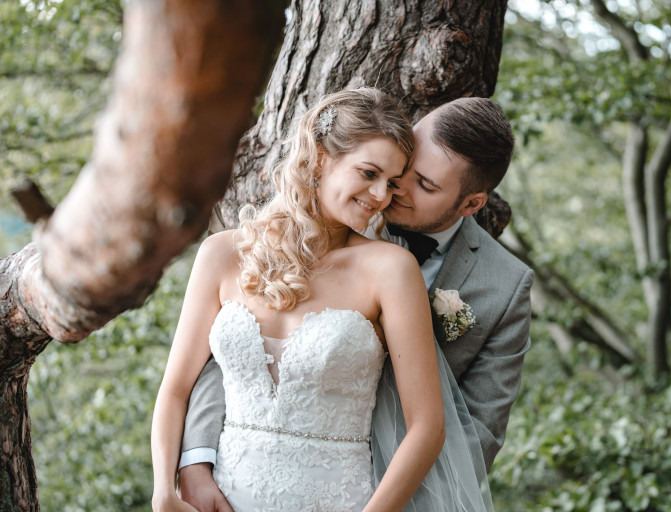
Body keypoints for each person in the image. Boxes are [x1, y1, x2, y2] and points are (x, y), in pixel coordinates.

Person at [178, 97, 533, 510]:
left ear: (471, 204)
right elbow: (232, 358)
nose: (393, 191)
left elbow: (480, 430)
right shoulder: (337, 208)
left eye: (425, 185)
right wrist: (194, 462)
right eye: (405, 170)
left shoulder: (504, 286)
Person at [151, 87, 446, 512]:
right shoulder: (221, 254)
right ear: (321, 157)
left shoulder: (391, 270)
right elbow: (176, 388)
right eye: (369, 173)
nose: (382, 195)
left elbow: (427, 427)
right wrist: (164, 489)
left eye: (392, 183)